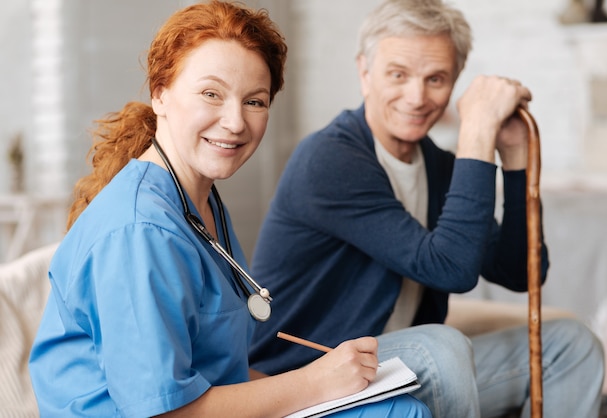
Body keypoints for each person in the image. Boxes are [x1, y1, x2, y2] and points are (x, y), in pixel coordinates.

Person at [27, 2, 432, 417]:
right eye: (211, 94)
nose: (236, 122)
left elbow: (219, 371)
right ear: (160, 94)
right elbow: (160, 411)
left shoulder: (200, 201)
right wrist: (316, 382)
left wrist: (331, 384)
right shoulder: (140, 230)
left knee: (398, 403)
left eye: (255, 102)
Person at [248, 0, 605, 417]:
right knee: (441, 348)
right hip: (308, 377)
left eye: (435, 78)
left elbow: (521, 272)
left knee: (572, 346)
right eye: (398, 74)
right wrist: (476, 133)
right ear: (365, 72)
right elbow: (449, 268)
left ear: (454, 82)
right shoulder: (329, 159)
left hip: (395, 370)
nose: (417, 97)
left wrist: (514, 159)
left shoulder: (438, 166)